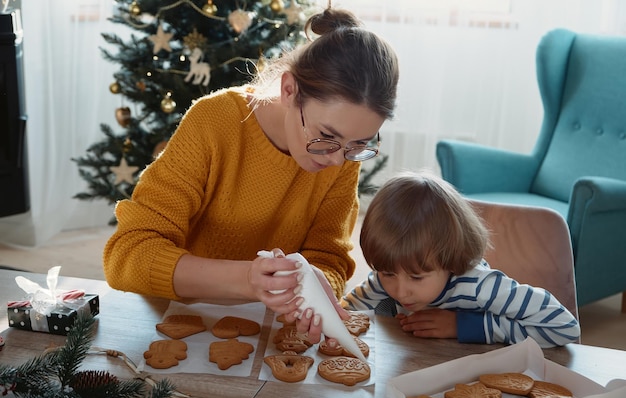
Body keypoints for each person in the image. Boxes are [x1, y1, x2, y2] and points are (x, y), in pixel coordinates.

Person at [103, 5, 399, 343]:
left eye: (358, 143)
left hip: (268, 331)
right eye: (326, 136)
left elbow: (329, 257)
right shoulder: (213, 123)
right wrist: (248, 279)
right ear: (289, 90)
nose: (336, 161)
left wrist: (317, 284)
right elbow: (126, 255)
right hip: (176, 318)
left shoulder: (342, 155)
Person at [341, 171, 581, 348]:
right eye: (387, 273)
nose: (401, 292)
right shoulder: (383, 280)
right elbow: (345, 313)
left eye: (417, 277)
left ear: (449, 259)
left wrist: (464, 325)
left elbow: (564, 327)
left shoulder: (481, 286)